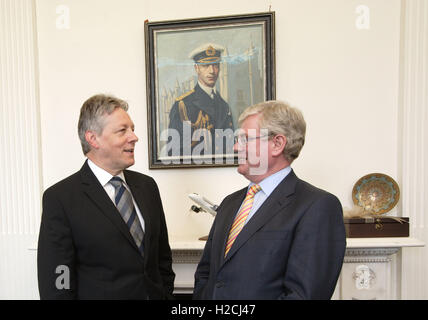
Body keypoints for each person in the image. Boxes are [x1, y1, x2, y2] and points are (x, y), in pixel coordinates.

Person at [193, 100, 346, 300]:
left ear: (277, 144)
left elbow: (304, 295)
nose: (236, 146)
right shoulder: (230, 203)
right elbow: (206, 274)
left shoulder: (317, 206)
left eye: (245, 139)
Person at [37, 94, 175, 299]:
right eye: (122, 131)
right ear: (93, 139)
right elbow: (59, 277)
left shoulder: (147, 187)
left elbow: (162, 259)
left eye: (132, 129)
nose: (134, 137)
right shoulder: (61, 198)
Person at [168, 43, 234, 157]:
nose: (212, 71)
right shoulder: (183, 105)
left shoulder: (224, 105)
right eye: (206, 66)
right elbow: (173, 151)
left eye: (215, 65)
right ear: (197, 68)